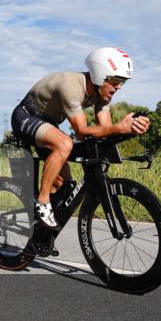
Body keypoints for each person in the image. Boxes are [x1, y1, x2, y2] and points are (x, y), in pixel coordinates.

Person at [10, 47, 151, 231]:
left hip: (49, 125)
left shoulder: (103, 94)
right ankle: (42, 201)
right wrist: (118, 127)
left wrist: (131, 129)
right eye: (116, 81)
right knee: (64, 144)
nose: (119, 87)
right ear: (100, 75)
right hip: (25, 116)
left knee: (66, 186)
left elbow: (105, 132)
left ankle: (40, 231)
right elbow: (83, 131)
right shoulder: (70, 86)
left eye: (122, 82)